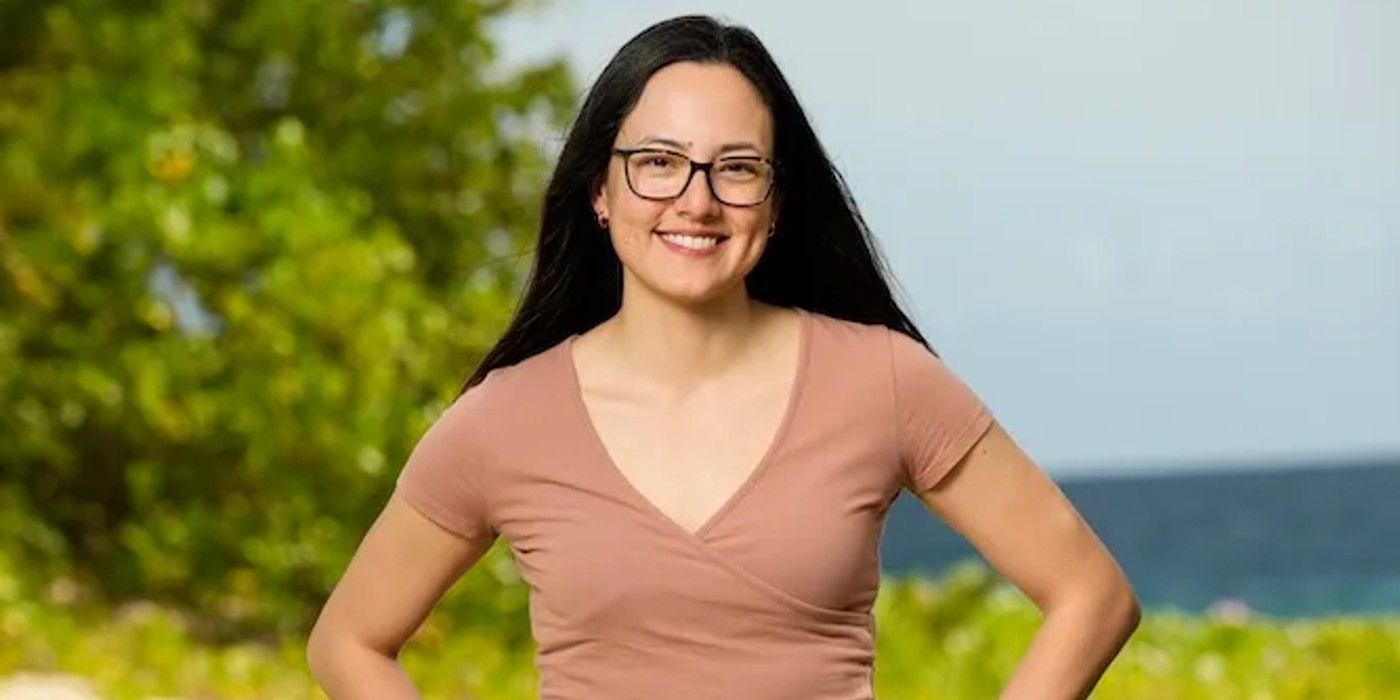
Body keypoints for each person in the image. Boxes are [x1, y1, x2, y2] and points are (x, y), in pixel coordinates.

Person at [307, 13, 1139, 700]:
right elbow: (348, 641)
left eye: (735, 169)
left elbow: (1091, 597)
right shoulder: (504, 420)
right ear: (601, 190)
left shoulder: (884, 382)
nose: (695, 201)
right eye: (657, 163)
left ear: (775, 203)